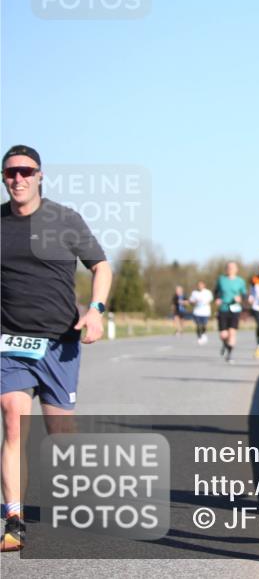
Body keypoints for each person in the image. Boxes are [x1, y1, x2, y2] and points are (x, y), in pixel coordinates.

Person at [1, 145, 112, 553]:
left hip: (58, 344)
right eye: (10, 173)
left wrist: (96, 311)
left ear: (40, 176)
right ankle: (14, 518)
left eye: (25, 172)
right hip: (10, 342)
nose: (18, 179)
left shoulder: (64, 219)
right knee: (13, 419)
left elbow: (100, 265)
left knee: (59, 433)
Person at [214, 261, 247, 363]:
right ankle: (225, 344)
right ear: (226, 269)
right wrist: (217, 299)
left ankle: (229, 354)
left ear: (236, 269)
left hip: (235, 309)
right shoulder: (221, 279)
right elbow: (215, 292)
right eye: (229, 267)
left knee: (232, 333)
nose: (230, 269)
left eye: (233, 267)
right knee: (223, 335)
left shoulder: (240, 281)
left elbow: (244, 295)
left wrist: (240, 298)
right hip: (223, 308)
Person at [188, 280, 214, 345]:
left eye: (201, 285)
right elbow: (191, 301)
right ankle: (199, 337)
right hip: (197, 312)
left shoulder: (208, 292)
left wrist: (203, 301)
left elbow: (210, 300)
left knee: (204, 325)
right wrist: (194, 302)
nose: (200, 286)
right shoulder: (194, 293)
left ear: (204, 285)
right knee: (198, 325)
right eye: (199, 285)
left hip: (205, 312)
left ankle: (204, 334)